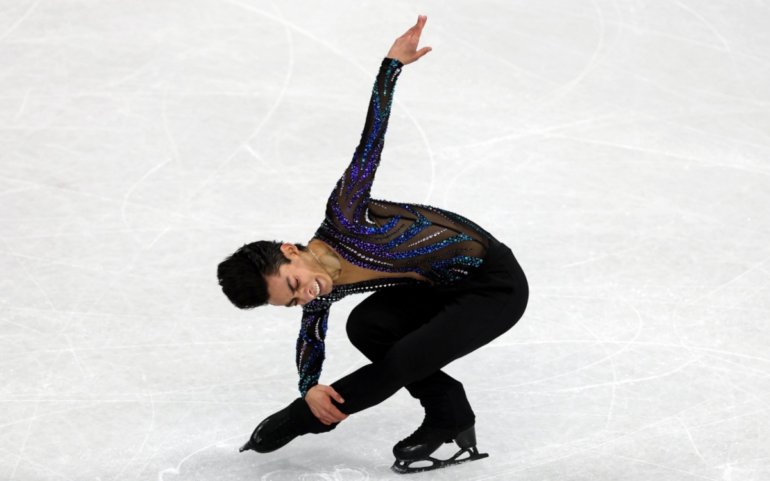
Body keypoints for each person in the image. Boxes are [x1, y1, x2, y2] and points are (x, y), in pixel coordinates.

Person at [216, 15, 529, 474]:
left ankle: (306, 422)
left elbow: (371, 142)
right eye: (293, 302)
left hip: (493, 286)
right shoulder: (320, 291)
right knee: (367, 326)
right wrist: (309, 386)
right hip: (439, 291)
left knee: (402, 357)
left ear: (290, 251)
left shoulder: (345, 215)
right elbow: (311, 340)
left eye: (295, 284)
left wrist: (391, 67)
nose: (306, 296)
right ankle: (450, 411)